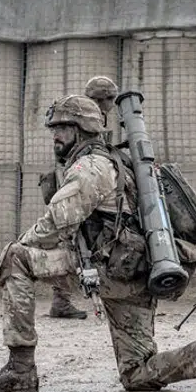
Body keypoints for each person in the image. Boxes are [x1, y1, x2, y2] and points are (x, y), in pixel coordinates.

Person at [0, 94, 196, 392]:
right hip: (135, 274)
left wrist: (23, 245)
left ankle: (20, 371)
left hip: (106, 269)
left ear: (81, 129)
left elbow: (57, 221)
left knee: (16, 258)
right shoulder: (119, 162)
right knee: (137, 373)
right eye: (53, 128)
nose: (55, 135)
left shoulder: (91, 167)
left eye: (62, 128)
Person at [42, 74, 125, 321]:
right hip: (74, 184)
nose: (108, 103)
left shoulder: (94, 117)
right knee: (70, 241)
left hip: (87, 184)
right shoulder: (78, 117)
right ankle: (61, 301)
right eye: (104, 98)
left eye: (110, 98)